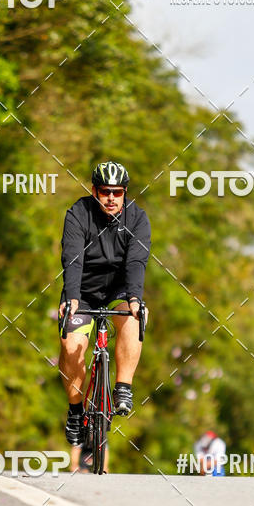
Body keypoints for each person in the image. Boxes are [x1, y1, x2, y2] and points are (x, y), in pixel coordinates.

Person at [59, 161, 151, 445]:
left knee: (135, 316)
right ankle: (76, 410)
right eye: (105, 191)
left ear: (125, 193)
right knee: (70, 344)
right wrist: (72, 296)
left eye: (117, 192)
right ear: (94, 190)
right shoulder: (78, 213)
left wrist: (135, 297)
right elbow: (72, 258)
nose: (111, 197)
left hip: (119, 290)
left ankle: (123, 387)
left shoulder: (137, 218)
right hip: (83, 291)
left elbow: (136, 261)